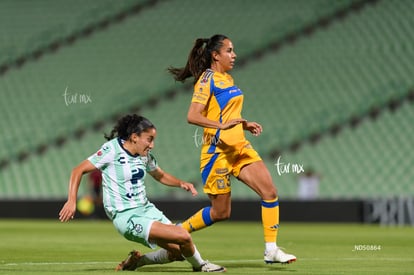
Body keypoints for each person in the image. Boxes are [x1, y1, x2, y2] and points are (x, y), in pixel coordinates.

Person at [168, 34, 296, 264]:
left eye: (233, 50)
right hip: (217, 152)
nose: (234, 54)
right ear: (215, 55)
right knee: (221, 213)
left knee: (270, 192)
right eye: (229, 50)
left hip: (239, 148)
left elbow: (226, 113)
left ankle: (271, 250)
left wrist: (243, 124)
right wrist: (220, 125)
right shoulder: (207, 80)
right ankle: (176, 232)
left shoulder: (227, 78)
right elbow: (192, 115)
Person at [59, 114, 226, 272]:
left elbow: (159, 174)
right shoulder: (111, 150)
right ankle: (201, 266)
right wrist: (71, 200)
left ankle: (138, 261)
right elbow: (77, 170)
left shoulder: (144, 155)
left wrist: (180, 183)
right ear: (134, 137)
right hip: (127, 216)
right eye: (149, 139)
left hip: (146, 209)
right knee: (183, 236)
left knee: (180, 252)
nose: (152, 145)